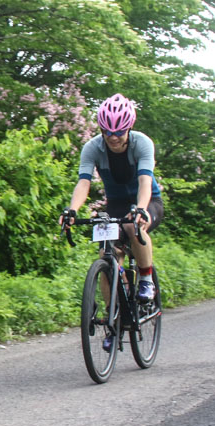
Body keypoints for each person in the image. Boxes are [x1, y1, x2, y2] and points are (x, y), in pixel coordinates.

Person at [60, 93, 164, 303]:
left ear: (129, 128)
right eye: (107, 131)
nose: (113, 137)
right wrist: (72, 211)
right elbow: (84, 182)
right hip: (116, 205)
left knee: (131, 227)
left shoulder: (142, 143)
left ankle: (146, 279)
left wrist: (141, 209)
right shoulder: (92, 148)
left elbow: (145, 181)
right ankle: (113, 320)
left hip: (148, 200)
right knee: (106, 256)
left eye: (119, 131)